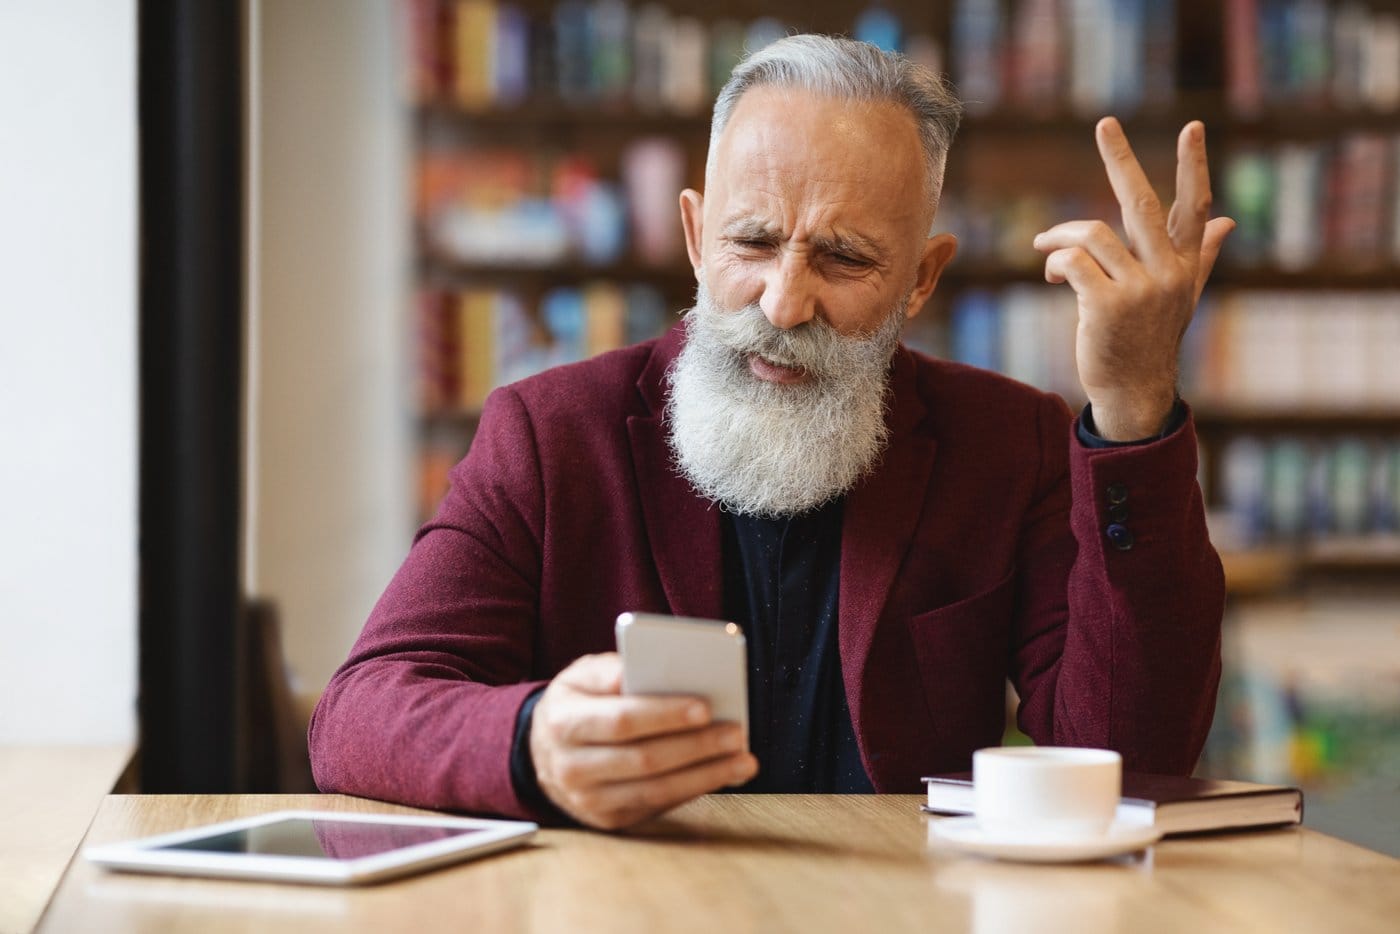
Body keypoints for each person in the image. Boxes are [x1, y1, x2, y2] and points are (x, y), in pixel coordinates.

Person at [309, 35, 1231, 830]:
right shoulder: (551, 435)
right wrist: (530, 741)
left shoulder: (1011, 443)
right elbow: (359, 714)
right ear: (694, 233)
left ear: (921, 279)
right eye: (751, 242)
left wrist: (1133, 409)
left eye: (844, 258)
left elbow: (1132, 757)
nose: (785, 304)